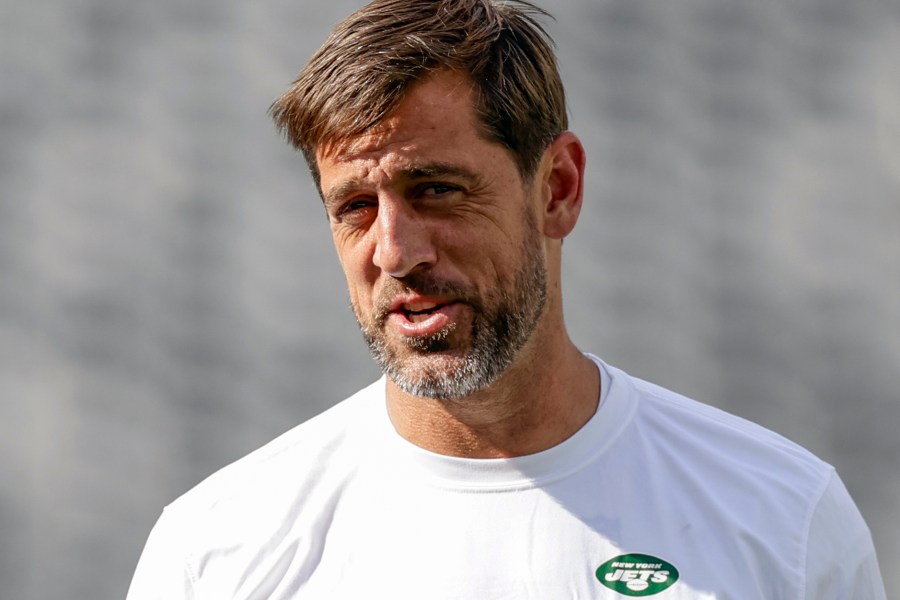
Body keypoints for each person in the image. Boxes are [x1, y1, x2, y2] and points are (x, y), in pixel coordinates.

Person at [127, 1, 886, 598]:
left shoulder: (780, 519)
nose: (395, 251)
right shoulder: (218, 552)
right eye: (355, 206)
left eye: (437, 190)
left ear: (557, 189)